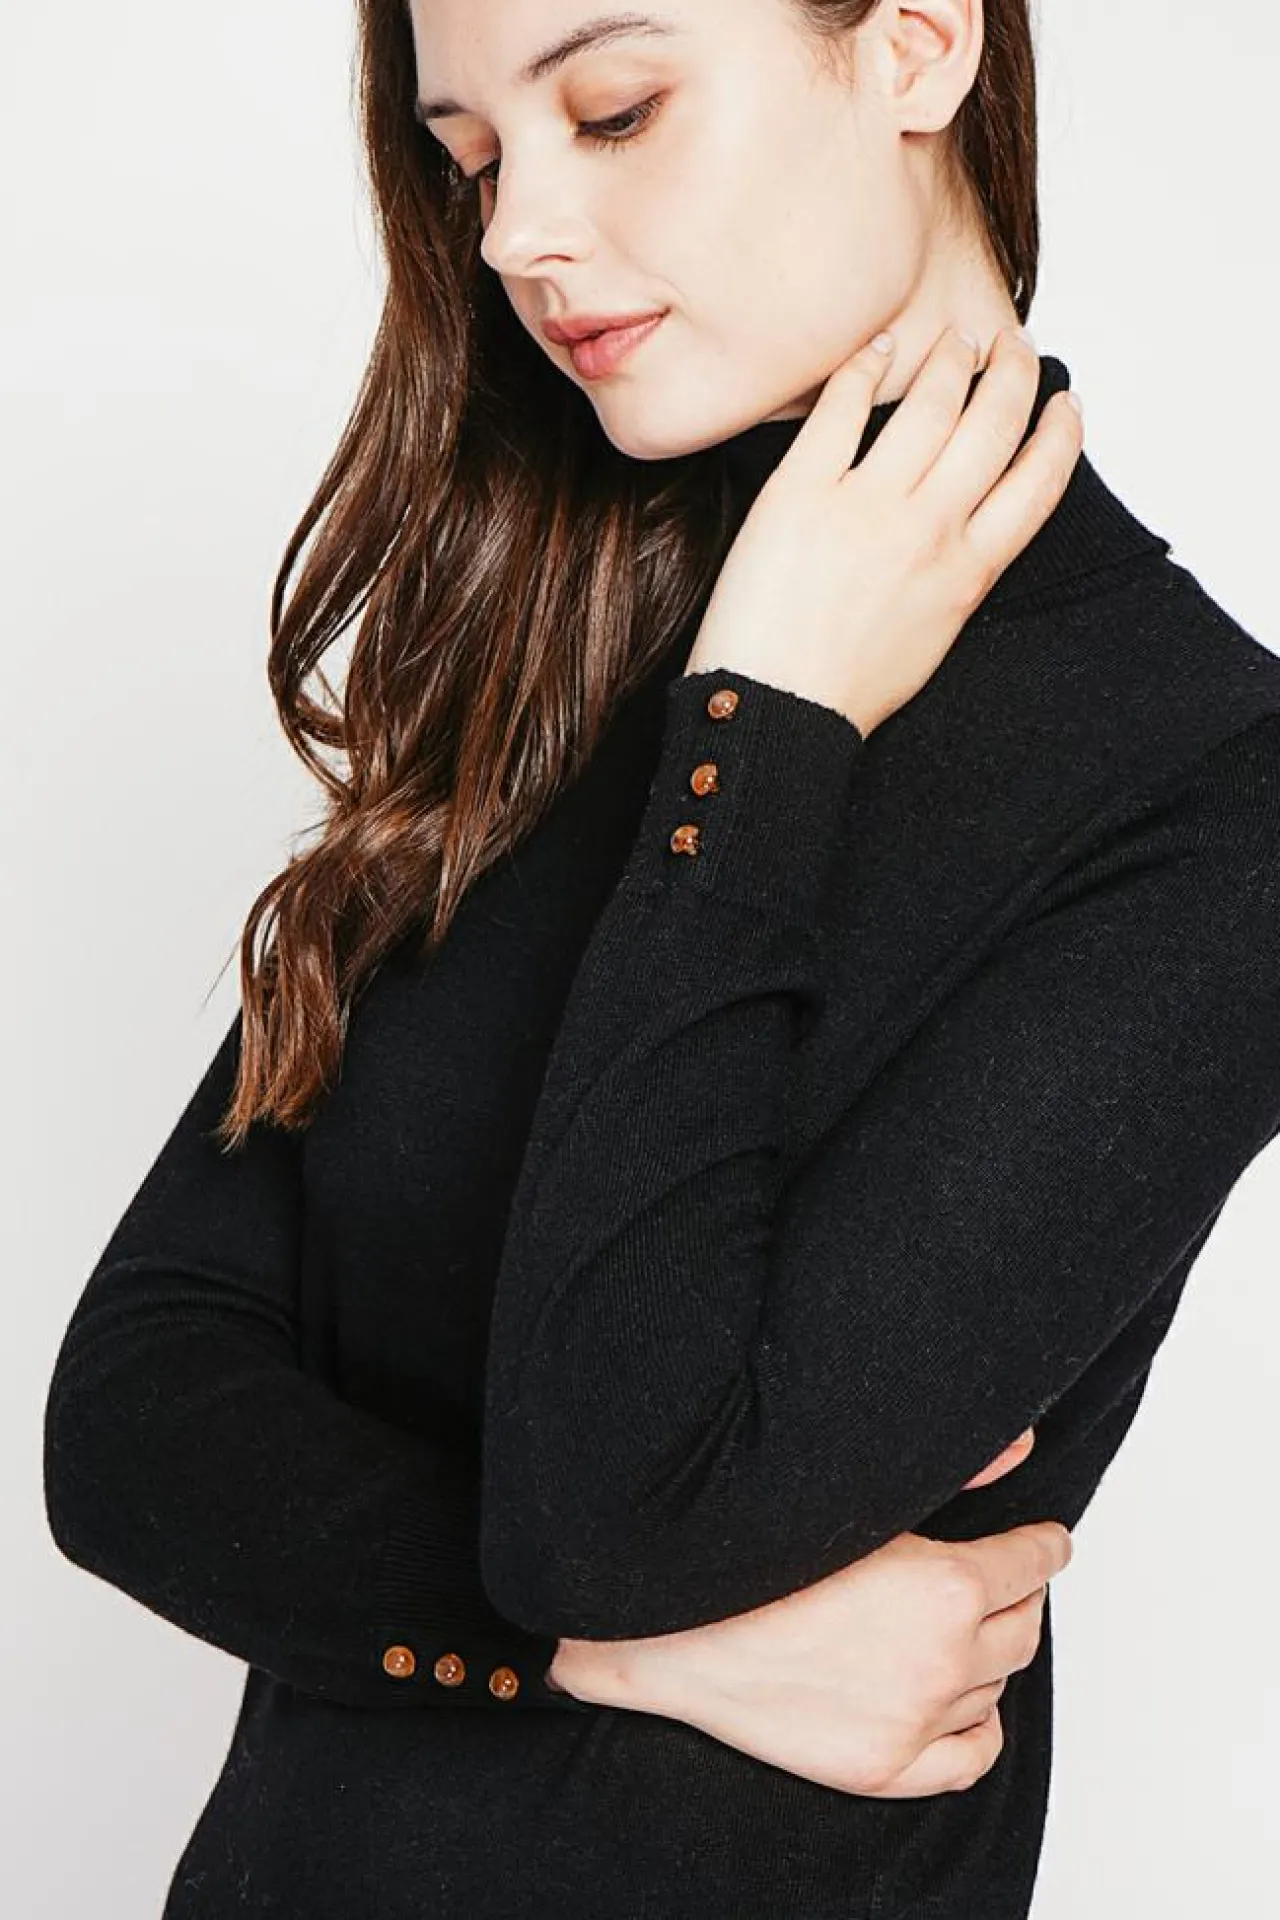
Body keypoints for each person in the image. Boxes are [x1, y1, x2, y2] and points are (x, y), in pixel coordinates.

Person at [41, 2, 1280, 1916]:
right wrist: (613, 1660)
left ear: (918, 46)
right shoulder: (539, 637)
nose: (516, 232)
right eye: (470, 156)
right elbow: (130, 1416)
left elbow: (620, 1508)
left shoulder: (1208, 792)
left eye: (613, 111)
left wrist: (769, 729)